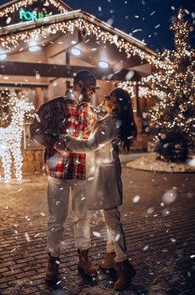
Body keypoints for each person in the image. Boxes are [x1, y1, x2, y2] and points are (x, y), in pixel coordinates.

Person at [55, 87, 137, 291]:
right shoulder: (111, 118)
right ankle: (112, 256)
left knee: (112, 220)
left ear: (116, 103)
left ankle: (124, 265)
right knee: (109, 217)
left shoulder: (111, 122)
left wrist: (66, 141)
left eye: (109, 97)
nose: (105, 99)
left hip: (104, 176)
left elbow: (91, 145)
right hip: (103, 174)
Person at [30, 70, 99, 281]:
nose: (92, 92)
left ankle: (84, 258)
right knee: (56, 220)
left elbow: (95, 141)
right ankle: (53, 261)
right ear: (79, 84)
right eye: (90, 87)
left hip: (82, 173)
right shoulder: (52, 106)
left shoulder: (91, 112)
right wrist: (53, 141)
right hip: (58, 173)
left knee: (83, 219)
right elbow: (34, 130)